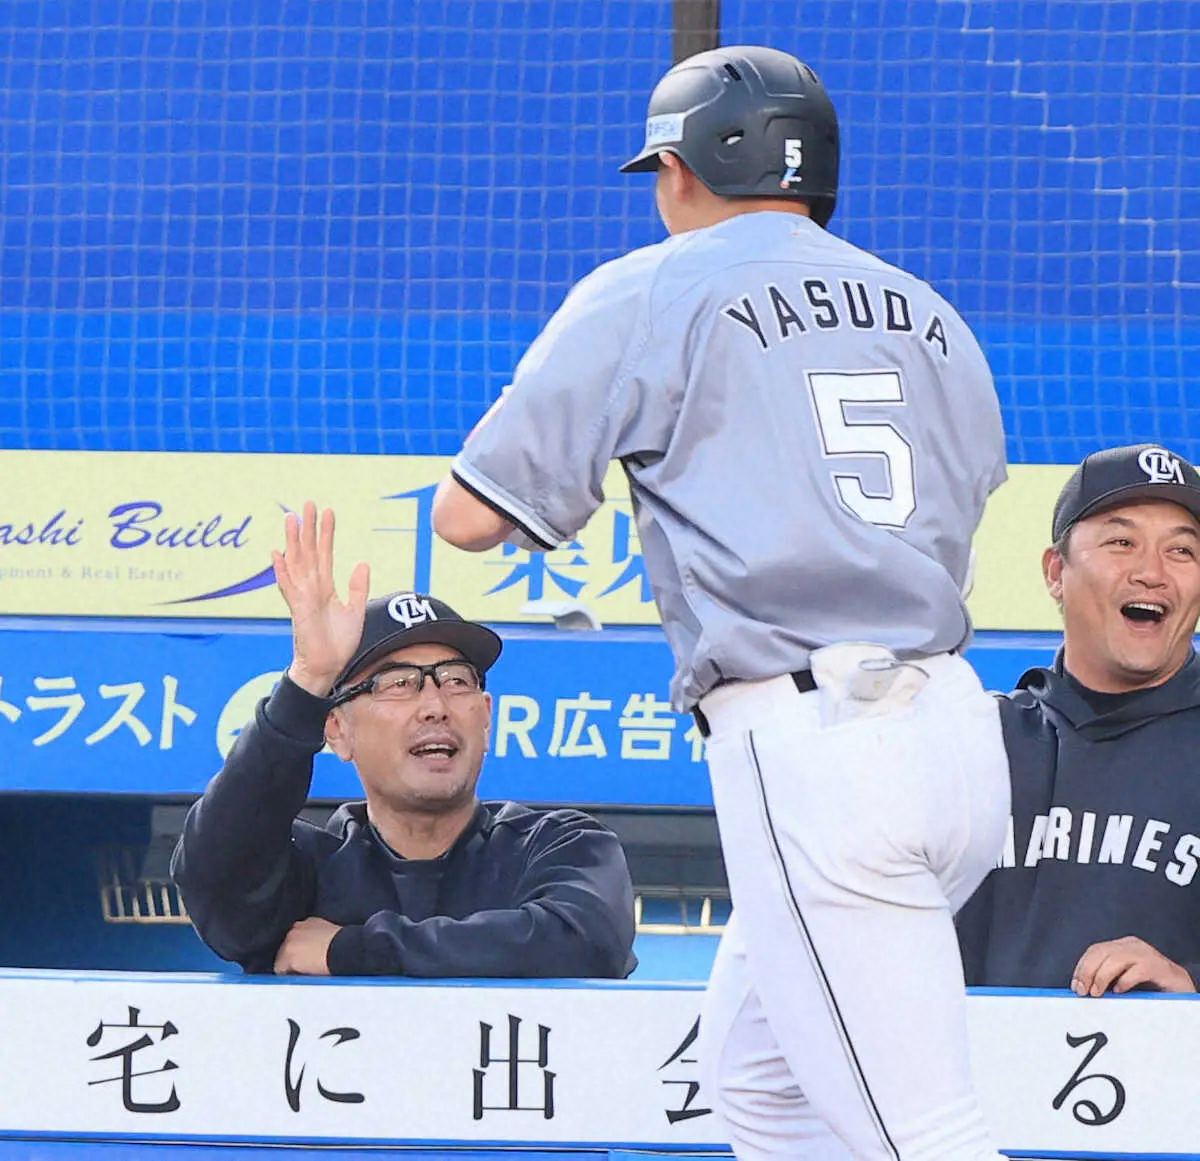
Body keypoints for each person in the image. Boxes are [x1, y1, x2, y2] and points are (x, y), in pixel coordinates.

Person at [432, 44, 1010, 1161]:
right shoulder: (930, 311)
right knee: (761, 1091)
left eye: (661, 169)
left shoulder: (653, 286)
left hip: (817, 750)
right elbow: (969, 489)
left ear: (693, 165)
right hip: (950, 740)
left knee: (924, 1138)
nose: (659, 194)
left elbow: (468, 516)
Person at [171, 502, 637, 979]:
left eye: (456, 680)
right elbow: (214, 876)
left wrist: (351, 951)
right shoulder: (310, 870)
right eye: (398, 684)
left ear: (487, 716)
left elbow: (585, 943)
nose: (435, 705)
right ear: (337, 730)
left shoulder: (558, 846)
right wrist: (307, 683)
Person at [957, 443, 1200, 998]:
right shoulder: (973, 743)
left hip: (1171, 1080)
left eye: (1182, 552)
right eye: (1121, 542)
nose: (1152, 573)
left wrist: (1189, 990)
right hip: (967, 1079)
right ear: (1055, 572)